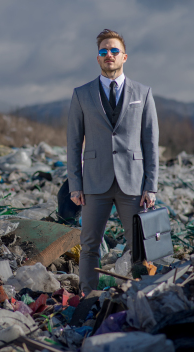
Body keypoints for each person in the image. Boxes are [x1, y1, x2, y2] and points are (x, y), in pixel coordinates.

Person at [67, 29, 159, 295]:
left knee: (140, 246)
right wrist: (75, 183)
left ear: (124, 57)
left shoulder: (143, 93)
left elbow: (151, 144)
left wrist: (151, 186)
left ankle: (141, 296)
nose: (108, 54)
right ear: (97, 58)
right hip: (94, 182)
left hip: (133, 181)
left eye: (114, 50)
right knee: (90, 245)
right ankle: (88, 298)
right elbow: (73, 143)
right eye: (103, 51)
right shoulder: (81, 94)